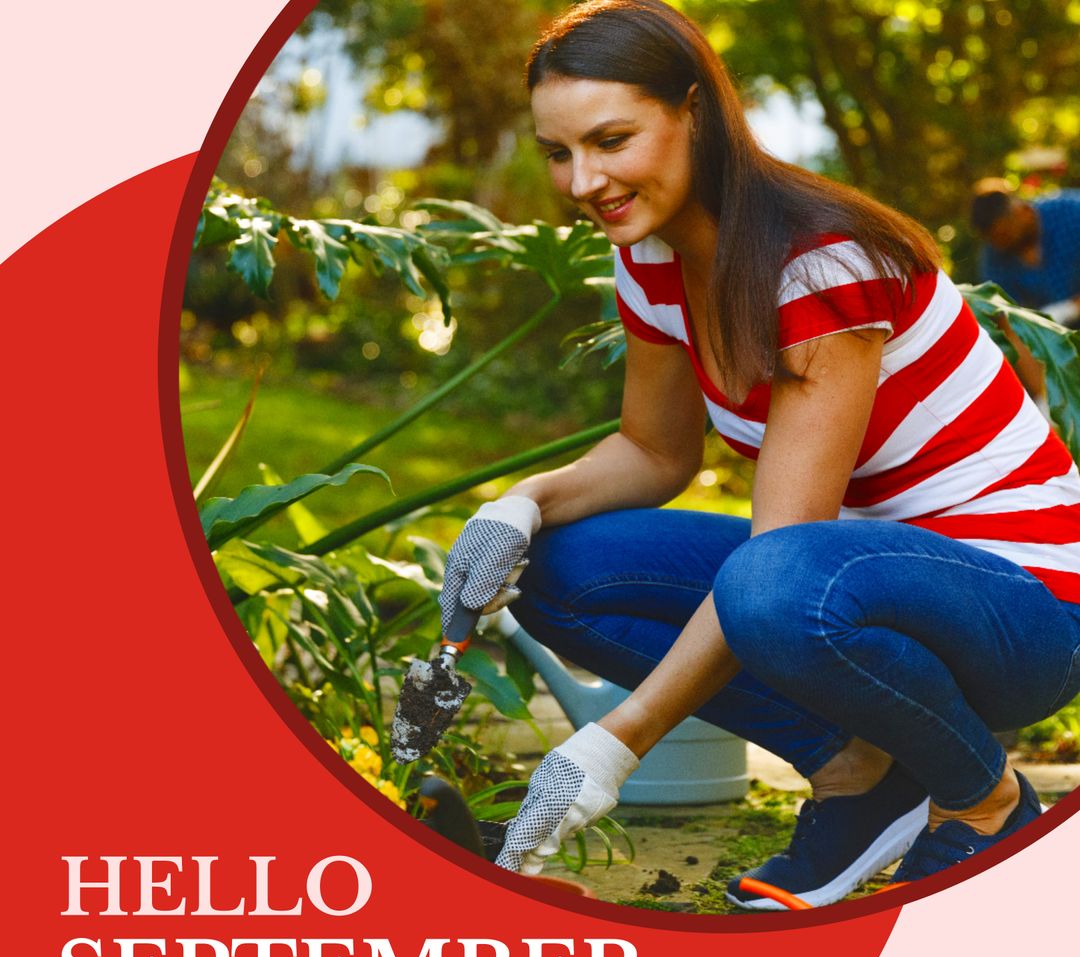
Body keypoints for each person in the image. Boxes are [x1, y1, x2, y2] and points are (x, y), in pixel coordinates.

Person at [439, 0, 1080, 909]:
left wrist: (614, 740)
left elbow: (782, 549)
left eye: (612, 139)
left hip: (1026, 609)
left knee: (773, 587)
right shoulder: (652, 257)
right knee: (560, 569)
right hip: (855, 587)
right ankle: (862, 772)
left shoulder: (822, 261)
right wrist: (520, 506)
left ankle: (982, 802)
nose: (584, 180)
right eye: (559, 152)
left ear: (694, 111)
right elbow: (653, 453)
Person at [971, 179, 1080, 328]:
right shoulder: (993, 259)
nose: (1000, 245)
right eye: (994, 240)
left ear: (1024, 211)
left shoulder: (1073, 213)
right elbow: (1007, 318)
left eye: (1005, 235)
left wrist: (1070, 309)